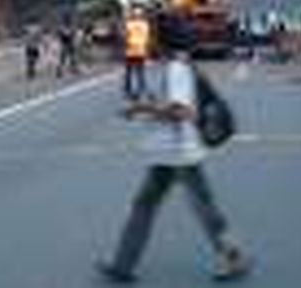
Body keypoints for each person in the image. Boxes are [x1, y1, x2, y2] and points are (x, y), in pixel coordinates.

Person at [97, 17, 252, 283]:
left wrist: (141, 109)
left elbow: (183, 110)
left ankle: (234, 255)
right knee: (145, 204)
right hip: (167, 152)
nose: (150, 40)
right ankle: (123, 264)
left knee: (202, 207)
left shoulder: (176, 68)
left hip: (181, 151)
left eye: (154, 35)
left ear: (163, 39)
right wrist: (148, 108)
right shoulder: (175, 65)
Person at [124, 10, 151, 99]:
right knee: (140, 70)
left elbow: (126, 36)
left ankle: (128, 88)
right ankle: (141, 87)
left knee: (129, 70)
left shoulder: (129, 24)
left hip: (131, 50)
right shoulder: (145, 25)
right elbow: (147, 38)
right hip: (141, 50)